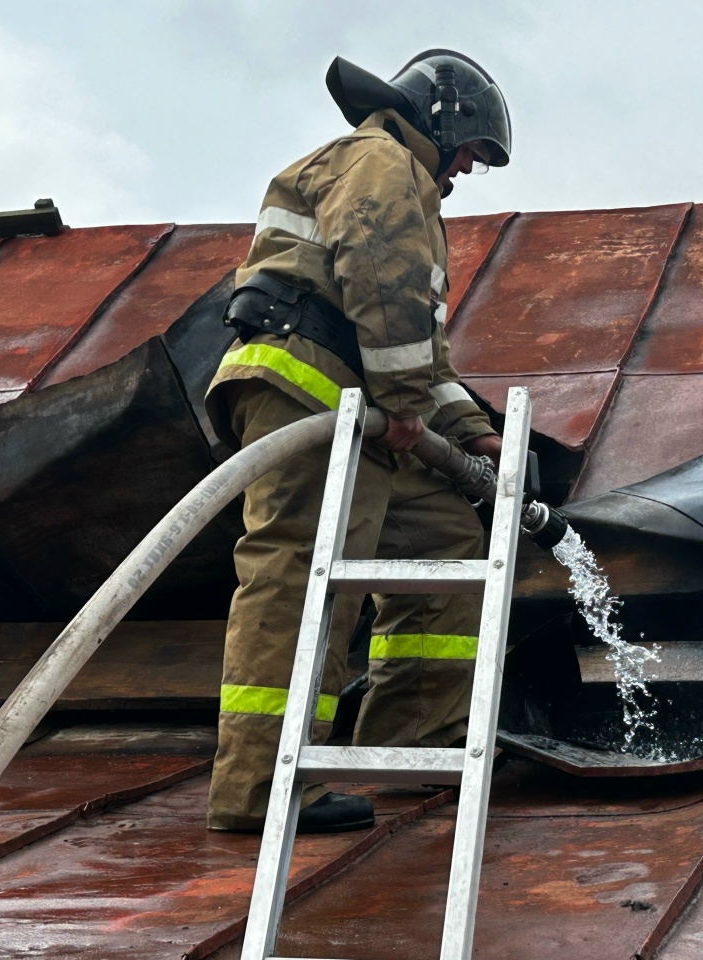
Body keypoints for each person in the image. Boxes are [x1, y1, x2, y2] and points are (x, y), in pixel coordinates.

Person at [203, 50, 511, 833]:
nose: (469, 171)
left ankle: (400, 745)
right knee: (301, 580)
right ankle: (262, 789)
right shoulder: (381, 162)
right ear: (441, 126)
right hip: (308, 392)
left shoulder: (395, 175)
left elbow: (419, 347)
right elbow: (380, 281)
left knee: (444, 540)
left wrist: (475, 434)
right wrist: (405, 402)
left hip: (357, 408)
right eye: (472, 152)